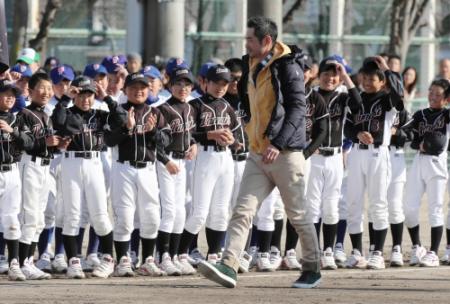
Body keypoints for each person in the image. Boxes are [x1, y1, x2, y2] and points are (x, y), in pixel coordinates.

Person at [198, 16, 321, 289]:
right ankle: (229, 265)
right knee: (242, 211)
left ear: (267, 41)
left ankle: (312, 267)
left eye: (250, 39)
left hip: (286, 153)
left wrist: (278, 143)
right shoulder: (250, 63)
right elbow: (249, 102)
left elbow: (297, 110)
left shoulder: (289, 67)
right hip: (257, 154)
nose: (246, 43)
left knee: (298, 215)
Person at [51, 76, 120, 279]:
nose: (85, 98)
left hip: (94, 163)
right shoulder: (67, 111)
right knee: (72, 215)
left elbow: (121, 120)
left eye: (89, 94)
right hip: (71, 162)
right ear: (75, 94)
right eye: (81, 94)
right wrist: (65, 99)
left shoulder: (99, 115)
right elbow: (58, 122)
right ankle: (73, 262)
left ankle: (108, 258)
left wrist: (106, 97)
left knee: (99, 214)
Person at [105, 72, 171, 277]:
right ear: (125, 90)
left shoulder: (156, 113)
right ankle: (124, 260)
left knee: (151, 215)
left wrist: (152, 132)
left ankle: (148, 260)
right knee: (124, 216)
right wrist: (126, 128)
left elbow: (166, 141)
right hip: (123, 167)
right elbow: (109, 140)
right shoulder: (117, 112)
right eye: (133, 87)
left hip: (148, 169)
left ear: (149, 89)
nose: (138, 90)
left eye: (143, 87)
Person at [344, 56, 404, 270]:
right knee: (353, 203)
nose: (368, 82)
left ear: (382, 81)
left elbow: (399, 93)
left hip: (379, 154)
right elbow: (347, 127)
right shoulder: (356, 99)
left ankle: (377, 252)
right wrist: (358, 133)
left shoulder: (387, 100)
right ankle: (358, 252)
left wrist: (387, 69)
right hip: (357, 154)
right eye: (365, 77)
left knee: (379, 203)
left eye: (373, 78)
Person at [176, 65, 239, 265]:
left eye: (224, 83)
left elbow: (237, 135)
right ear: (205, 83)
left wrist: (232, 140)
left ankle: (214, 253)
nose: (220, 87)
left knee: (221, 211)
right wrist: (210, 135)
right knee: (199, 212)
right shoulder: (194, 105)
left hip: (225, 158)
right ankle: (181, 252)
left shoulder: (228, 106)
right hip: (204, 157)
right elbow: (186, 133)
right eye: (216, 82)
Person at [306, 55, 361, 271]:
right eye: (326, 73)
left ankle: (328, 250)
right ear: (318, 76)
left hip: (336, 157)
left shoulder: (342, 97)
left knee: (331, 206)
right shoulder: (310, 96)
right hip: (314, 157)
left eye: (334, 74)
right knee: (311, 207)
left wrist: (346, 77)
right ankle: (313, 251)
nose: (330, 78)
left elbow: (358, 104)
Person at [402, 79, 450, 267]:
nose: (432, 96)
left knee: (435, 208)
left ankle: (433, 252)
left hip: (437, 164)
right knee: (409, 208)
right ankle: (417, 246)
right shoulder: (420, 114)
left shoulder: (446, 116)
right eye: (431, 92)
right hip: (418, 162)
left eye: (438, 94)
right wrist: (416, 143)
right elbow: (406, 132)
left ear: (446, 99)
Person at [17, 72, 59, 280]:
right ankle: (21, 263)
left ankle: (28, 262)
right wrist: (46, 143)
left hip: (44, 166)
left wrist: (57, 146)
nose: (46, 92)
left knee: (40, 219)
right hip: (29, 166)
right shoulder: (23, 112)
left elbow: (47, 144)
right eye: (41, 88)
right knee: (29, 216)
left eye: (49, 88)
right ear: (30, 90)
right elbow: (23, 143)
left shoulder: (46, 114)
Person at [156, 67, 198, 276]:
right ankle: (162, 257)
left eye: (187, 84)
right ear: (170, 86)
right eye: (179, 84)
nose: (183, 88)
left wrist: (194, 144)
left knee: (181, 211)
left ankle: (173, 256)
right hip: (167, 161)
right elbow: (156, 143)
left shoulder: (189, 108)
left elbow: (191, 134)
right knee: (170, 210)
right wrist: (165, 161)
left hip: (182, 161)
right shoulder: (162, 109)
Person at [0, 79, 34, 281]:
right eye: (5, 93)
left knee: (12, 220)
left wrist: (12, 131)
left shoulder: (18, 119)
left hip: (12, 171)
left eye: (13, 94)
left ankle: (14, 263)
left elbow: (30, 143)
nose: (10, 97)